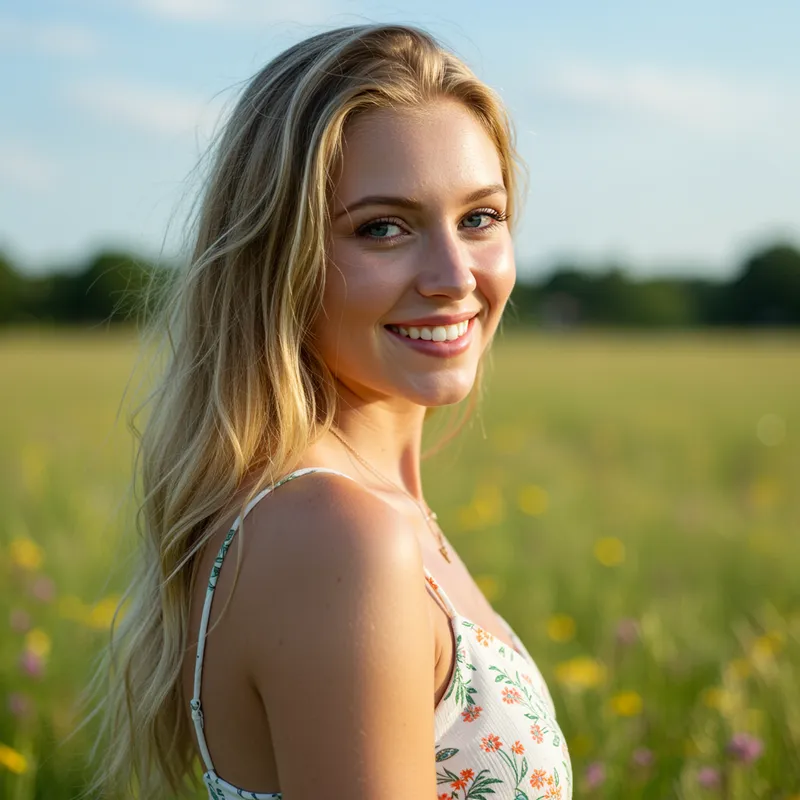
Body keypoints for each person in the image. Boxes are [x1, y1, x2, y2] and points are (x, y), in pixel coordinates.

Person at [88, 22, 572, 800]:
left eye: (479, 218)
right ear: (278, 258)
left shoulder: (353, 515)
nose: (454, 276)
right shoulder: (335, 535)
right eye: (383, 228)